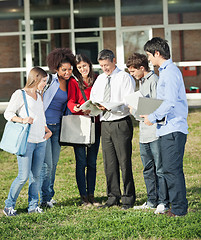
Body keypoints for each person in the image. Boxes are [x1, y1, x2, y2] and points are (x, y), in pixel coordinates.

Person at [142, 37, 188, 217]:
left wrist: (152, 117)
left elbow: (169, 102)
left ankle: (178, 210)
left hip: (172, 129)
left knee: (171, 169)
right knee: (170, 169)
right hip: (167, 128)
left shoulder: (169, 73)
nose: (149, 59)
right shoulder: (167, 71)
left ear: (157, 53)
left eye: (149, 55)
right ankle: (177, 207)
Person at [90, 49, 136, 210]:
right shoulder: (101, 79)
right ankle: (113, 197)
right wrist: (95, 105)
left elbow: (128, 100)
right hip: (105, 124)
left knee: (124, 162)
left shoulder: (124, 77)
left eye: (107, 65)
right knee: (109, 163)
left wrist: (109, 106)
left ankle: (128, 198)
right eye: (102, 66)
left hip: (120, 122)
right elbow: (93, 96)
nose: (104, 68)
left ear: (114, 61)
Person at [3, 67, 52, 216]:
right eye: (44, 81)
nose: (45, 84)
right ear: (36, 78)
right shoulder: (20, 94)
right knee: (23, 176)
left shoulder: (39, 94)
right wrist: (23, 119)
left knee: (36, 176)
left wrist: (47, 130)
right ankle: (8, 206)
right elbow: (8, 113)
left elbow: (40, 116)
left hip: (40, 141)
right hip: (27, 141)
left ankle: (33, 206)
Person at [126, 53, 168, 210]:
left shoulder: (155, 81)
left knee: (160, 169)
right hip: (144, 133)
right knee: (148, 169)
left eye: (132, 71)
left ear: (141, 68)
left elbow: (157, 106)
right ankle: (151, 201)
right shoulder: (141, 82)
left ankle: (163, 201)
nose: (132, 75)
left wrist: (137, 109)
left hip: (155, 133)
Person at [40, 48, 76, 208]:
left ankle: (49, 196)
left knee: (53, 163)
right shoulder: (48, 81)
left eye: (69, 69)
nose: (68, 72)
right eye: (64, 70)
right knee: (46, 164)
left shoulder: (71, 83)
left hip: (58, 127)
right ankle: (44, 198)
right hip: (44, 128)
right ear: (56, 69)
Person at [67, 54, 101, 206]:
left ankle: (91, 194)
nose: (82, 69)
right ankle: (83, 196)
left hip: (95, 124)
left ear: (89, 64)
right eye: (79, 67)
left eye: (84, 66)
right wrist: (75, 108)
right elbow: (70, 101)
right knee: (81, 162)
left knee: (92, 162)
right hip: (80, 126)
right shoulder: (74, 82)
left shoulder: (98, 79)